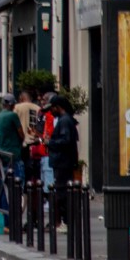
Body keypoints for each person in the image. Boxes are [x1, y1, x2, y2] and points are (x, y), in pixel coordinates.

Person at [45, 95, 79, 230]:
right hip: (64, 161)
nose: (50, 112)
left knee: (62, 192)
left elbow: (65, 140)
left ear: (57, 107)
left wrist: (50, 142)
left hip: (62, 162)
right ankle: (64, 220)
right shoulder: (66, 120)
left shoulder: (64, 121)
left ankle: (64, 221)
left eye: (52, 108)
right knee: (62, 191)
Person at [0, 94, 26, 182]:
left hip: (2, 152)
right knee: (18, 180)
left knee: (4, 181)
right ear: (12, 104)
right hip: (13, 152)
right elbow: (21, 133)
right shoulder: (12, 115)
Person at [15, 90, 42, 180]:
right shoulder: (38, 108)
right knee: (35, 168)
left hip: (21, 141)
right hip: (35, 141)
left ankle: (24, 187)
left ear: (21, 98)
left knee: (22, 166)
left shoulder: (17, 107)